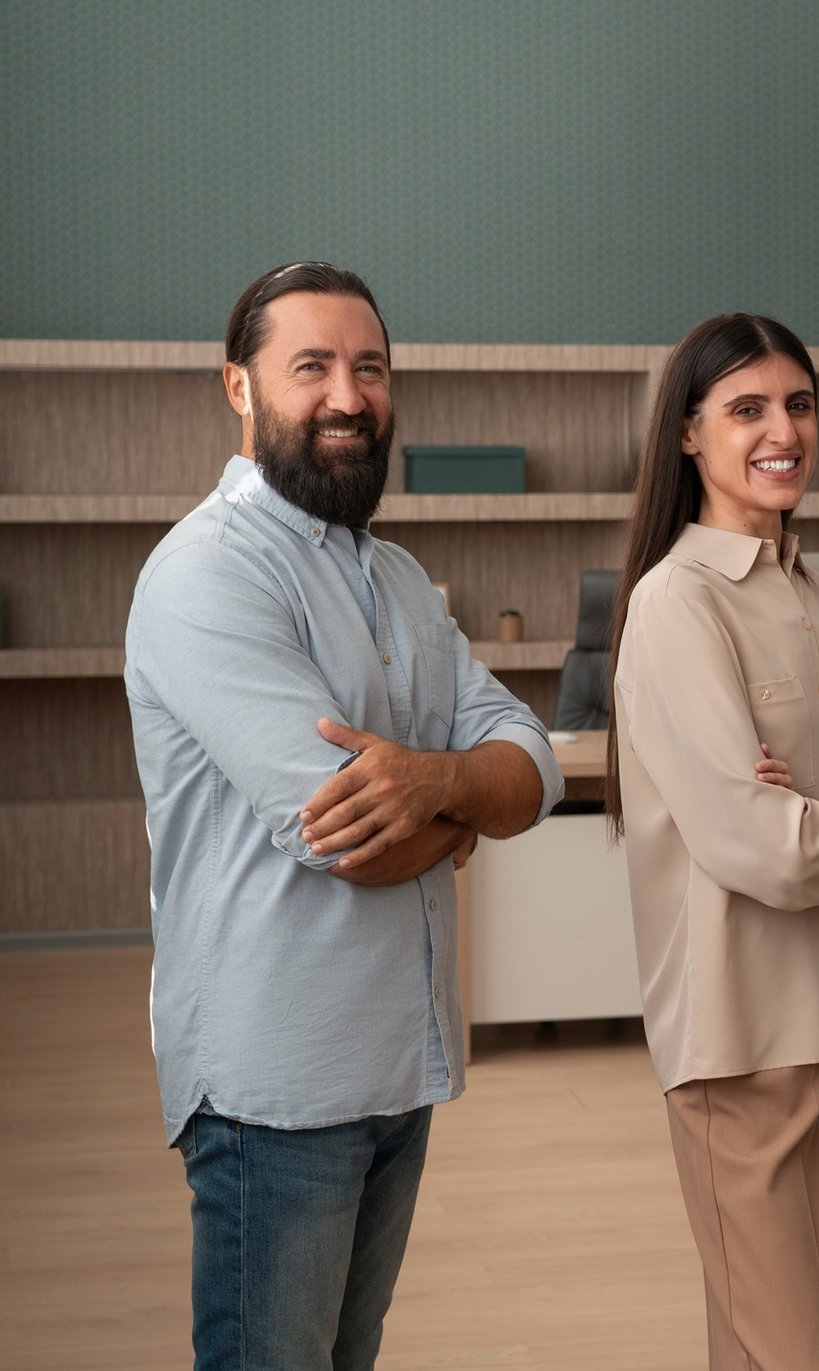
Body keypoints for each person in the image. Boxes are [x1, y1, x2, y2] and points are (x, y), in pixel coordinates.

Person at [124, 261, 563, 1370]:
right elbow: (349, 838)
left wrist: (435, 786)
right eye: (311, 366)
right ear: (239, 387)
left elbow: (531, 763)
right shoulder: (207, 575)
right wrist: (463, 805)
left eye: (369, 368)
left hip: (395, 1070)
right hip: (276, 1089)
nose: (347, 395)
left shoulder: (399, 579)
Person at [606, 313, 819, 1371]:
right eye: (746, 408)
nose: (782, 431)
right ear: (689, 434)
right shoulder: (676, 604)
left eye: (798, 404)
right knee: (791, 1353)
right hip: (744, 1040)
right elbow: (766, 849)